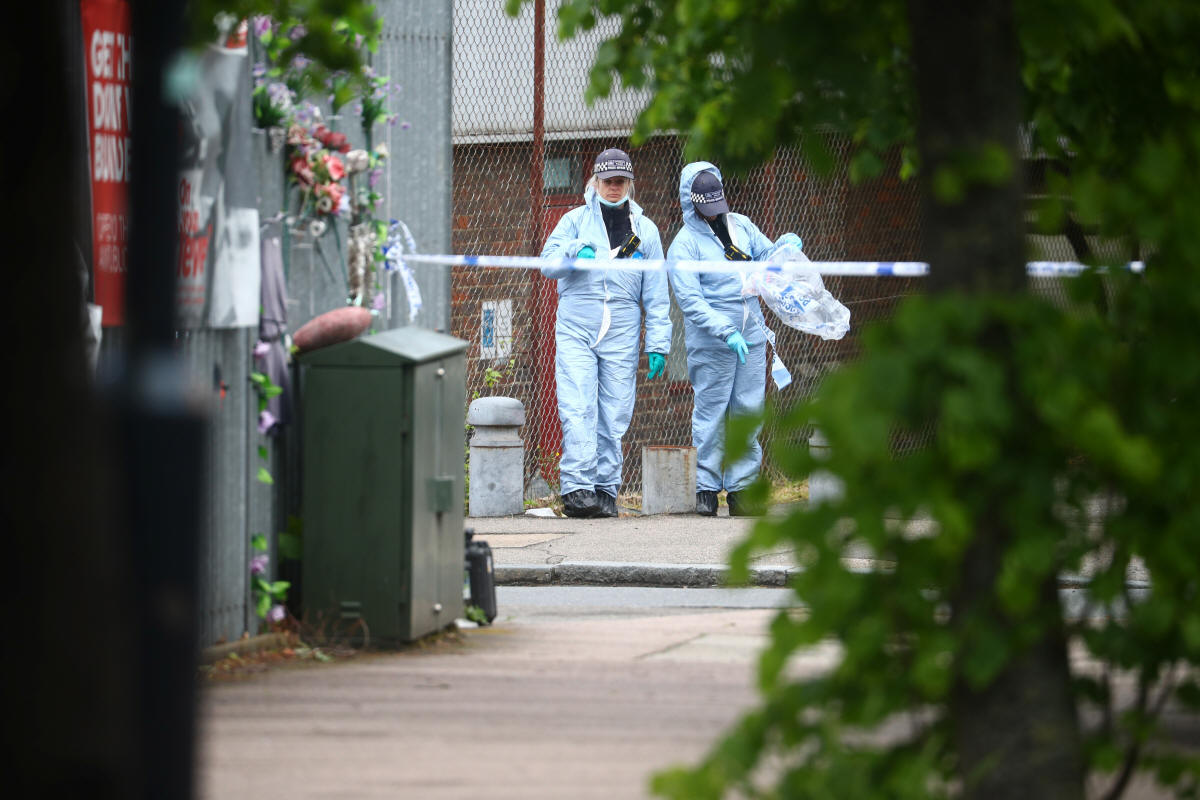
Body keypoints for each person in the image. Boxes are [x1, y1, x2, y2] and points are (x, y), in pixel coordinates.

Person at [540, 148, 672, 518]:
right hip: (576, 326)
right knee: (578, 403)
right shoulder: (573, 221)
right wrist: (573, 253)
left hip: (623, 328)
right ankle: (577, 489)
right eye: (607, 181)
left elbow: (657, 293)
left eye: (620, 181)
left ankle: (605, 489)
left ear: (629, 184)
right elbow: (547, 264)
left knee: (615, 410)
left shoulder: (645, 231)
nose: (614, 187)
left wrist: (658, 342)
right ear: (595, 182)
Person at [668, 162, 775, 517]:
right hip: (713, 341)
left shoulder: (741, 225)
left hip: (751, 333)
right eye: (706, 207)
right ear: (690, 202)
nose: (713, 213)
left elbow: (766, 254)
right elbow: (691, 301)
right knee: (711, 413)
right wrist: (725, 330)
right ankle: (706, 487)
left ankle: (743, 488)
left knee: (748, 410)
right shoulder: (684, 245)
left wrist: (783, 250)